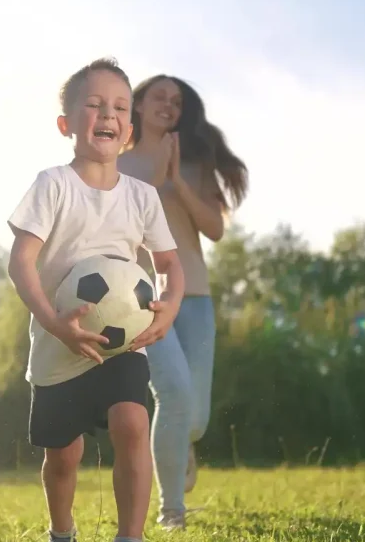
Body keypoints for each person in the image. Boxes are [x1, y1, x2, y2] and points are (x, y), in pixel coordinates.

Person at [7, 57, 185, 542]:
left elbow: (170, 265)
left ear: (129, 128)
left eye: (120, 107)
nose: (108, 114)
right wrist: (52, 321)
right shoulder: (53, 185)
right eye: (95, 104)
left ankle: (131, 537)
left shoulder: (142, 197)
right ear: (67, 123)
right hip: (59, 344)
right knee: (62, 457)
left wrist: (169, 305)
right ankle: (61, 532)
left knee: (132, 421)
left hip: (124, 341)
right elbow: (20, 262)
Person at [116, 74, 248, 531]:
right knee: (173, 394)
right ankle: (172, 509)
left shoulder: (194, 163)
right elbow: (125, 222)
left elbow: (214, 229)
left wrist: (178, 179)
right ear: (138, 104)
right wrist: (157, 176)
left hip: (195, 297)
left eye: (176, 101)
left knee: (196, 417)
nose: (168, 106)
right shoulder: (119, 163)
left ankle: (183, 444)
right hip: (143, 298)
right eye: (159, 97)